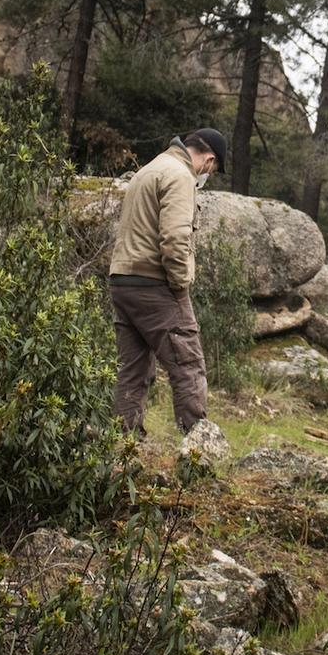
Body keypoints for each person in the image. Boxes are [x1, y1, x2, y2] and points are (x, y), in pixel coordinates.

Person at [108, 127, 232, 458]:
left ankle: (124, 445)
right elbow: (175, 239)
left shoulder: (150, 168)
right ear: (209, 159)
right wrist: (180, 285)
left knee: (132, 370)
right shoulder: (180, 176)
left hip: (122, 280)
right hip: (155, 283)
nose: (210, 175)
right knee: (188, 363)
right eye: (214, 170)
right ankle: (197, 450)